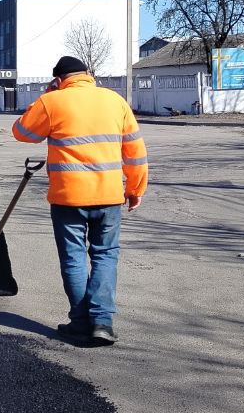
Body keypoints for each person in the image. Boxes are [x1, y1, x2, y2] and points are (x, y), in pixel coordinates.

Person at [12, 55, 148, 345]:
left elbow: (22, 132)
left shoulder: (53, 102)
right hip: (108, 197)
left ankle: (80, 322)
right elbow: (135, 151)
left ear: (59, 80)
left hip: (67, 198)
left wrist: (46, 97)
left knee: (73, 258)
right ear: (88, 75)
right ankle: (102, 322)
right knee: (105, 255)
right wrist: (135, 189)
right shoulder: (115, 101)